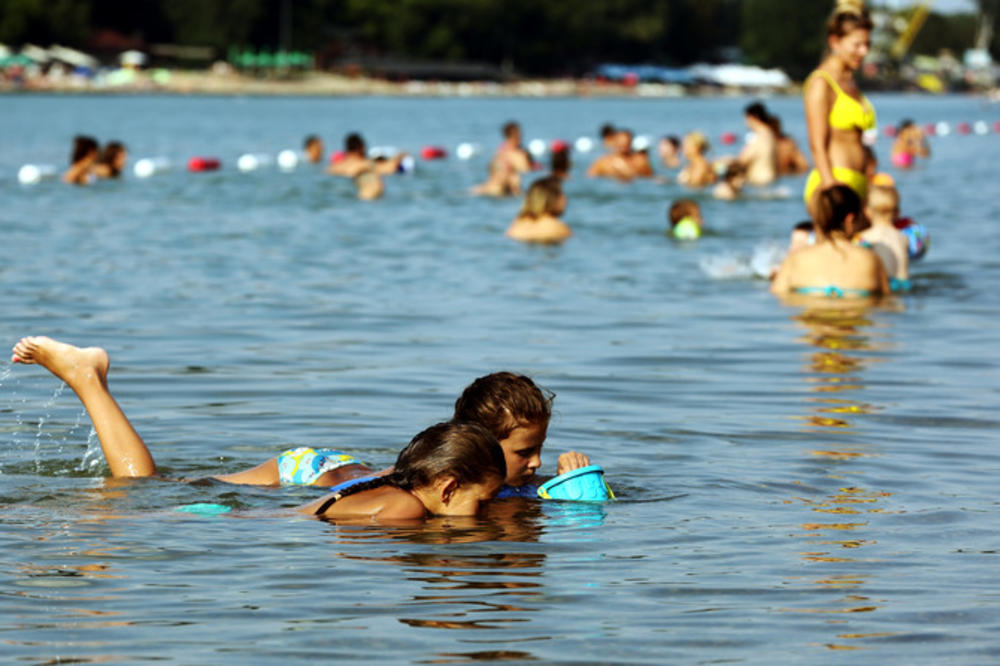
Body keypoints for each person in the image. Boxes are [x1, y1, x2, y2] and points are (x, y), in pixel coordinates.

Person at [9, 337, 505, 522]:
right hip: (234, 518)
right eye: (481, 503)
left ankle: (87, 381)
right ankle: (86, 380)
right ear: (447, 486)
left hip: (251, 505)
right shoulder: (404, 509)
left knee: (143, 491)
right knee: (134, 494)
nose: (485, 512)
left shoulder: (399, 489)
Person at [803, 0, 876, 217]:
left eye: (867, 44)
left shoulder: (850, 82)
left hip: (860, 184)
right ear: (835, 41)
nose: (864, 51)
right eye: (857, 45)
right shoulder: (821, 83)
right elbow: (817, 144)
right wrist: (831, 189)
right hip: (834, 184)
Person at [771, 185, 889, 298]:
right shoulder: (871, 260)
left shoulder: (795, 260)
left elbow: (777, 296)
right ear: (850, 220)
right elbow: (885, 301)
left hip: (811, 309)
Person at [858, 176, 910, 291]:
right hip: (905, 285)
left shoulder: (864, 237)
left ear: (867, 211)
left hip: (883, 285)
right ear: (897, 212)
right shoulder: (904, 237)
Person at [505, 176, 572, 244]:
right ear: (552, 198)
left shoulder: (516, 226)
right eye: (561, 194)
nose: (565, 199)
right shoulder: (559, 229)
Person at [328, 133, 407, 178]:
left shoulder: (333, 167)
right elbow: (388, 169)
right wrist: (398, 158)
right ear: (361, 148)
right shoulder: (364, 164)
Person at [737, 102, 778, 186]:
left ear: (753, 118)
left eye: (746, 118)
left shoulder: (758, 137)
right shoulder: (770, 134)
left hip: (760, 184)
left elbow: (742, 160)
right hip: (771, 181)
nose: (745, 122)